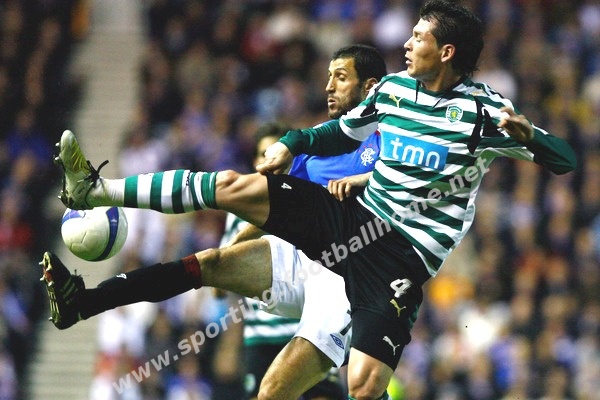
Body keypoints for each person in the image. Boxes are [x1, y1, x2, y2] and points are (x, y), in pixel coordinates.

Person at [43, 2, 577, 399]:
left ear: (447, 51)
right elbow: (338, 132)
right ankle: (96, 200)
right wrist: (291, 143)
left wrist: (531, 137)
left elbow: (565, 159)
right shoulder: (393, 92)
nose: (407, 42)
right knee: (228, 198)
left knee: (358, 387)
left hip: (395, 258)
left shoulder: (483, 113)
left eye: (418, 36)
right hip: (348, 225)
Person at [43, 44, 387, 400]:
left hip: (353, 273)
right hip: (304, 262)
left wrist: (362, 181)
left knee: (275, 394)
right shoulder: (318, 140)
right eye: (328, 76)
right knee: (212, 260)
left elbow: (411, 192)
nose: (328, 86)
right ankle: (83, 302)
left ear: (370, 87)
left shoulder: (391, 138)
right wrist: (237, 240)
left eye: (340, 77)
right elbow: (279, 208)